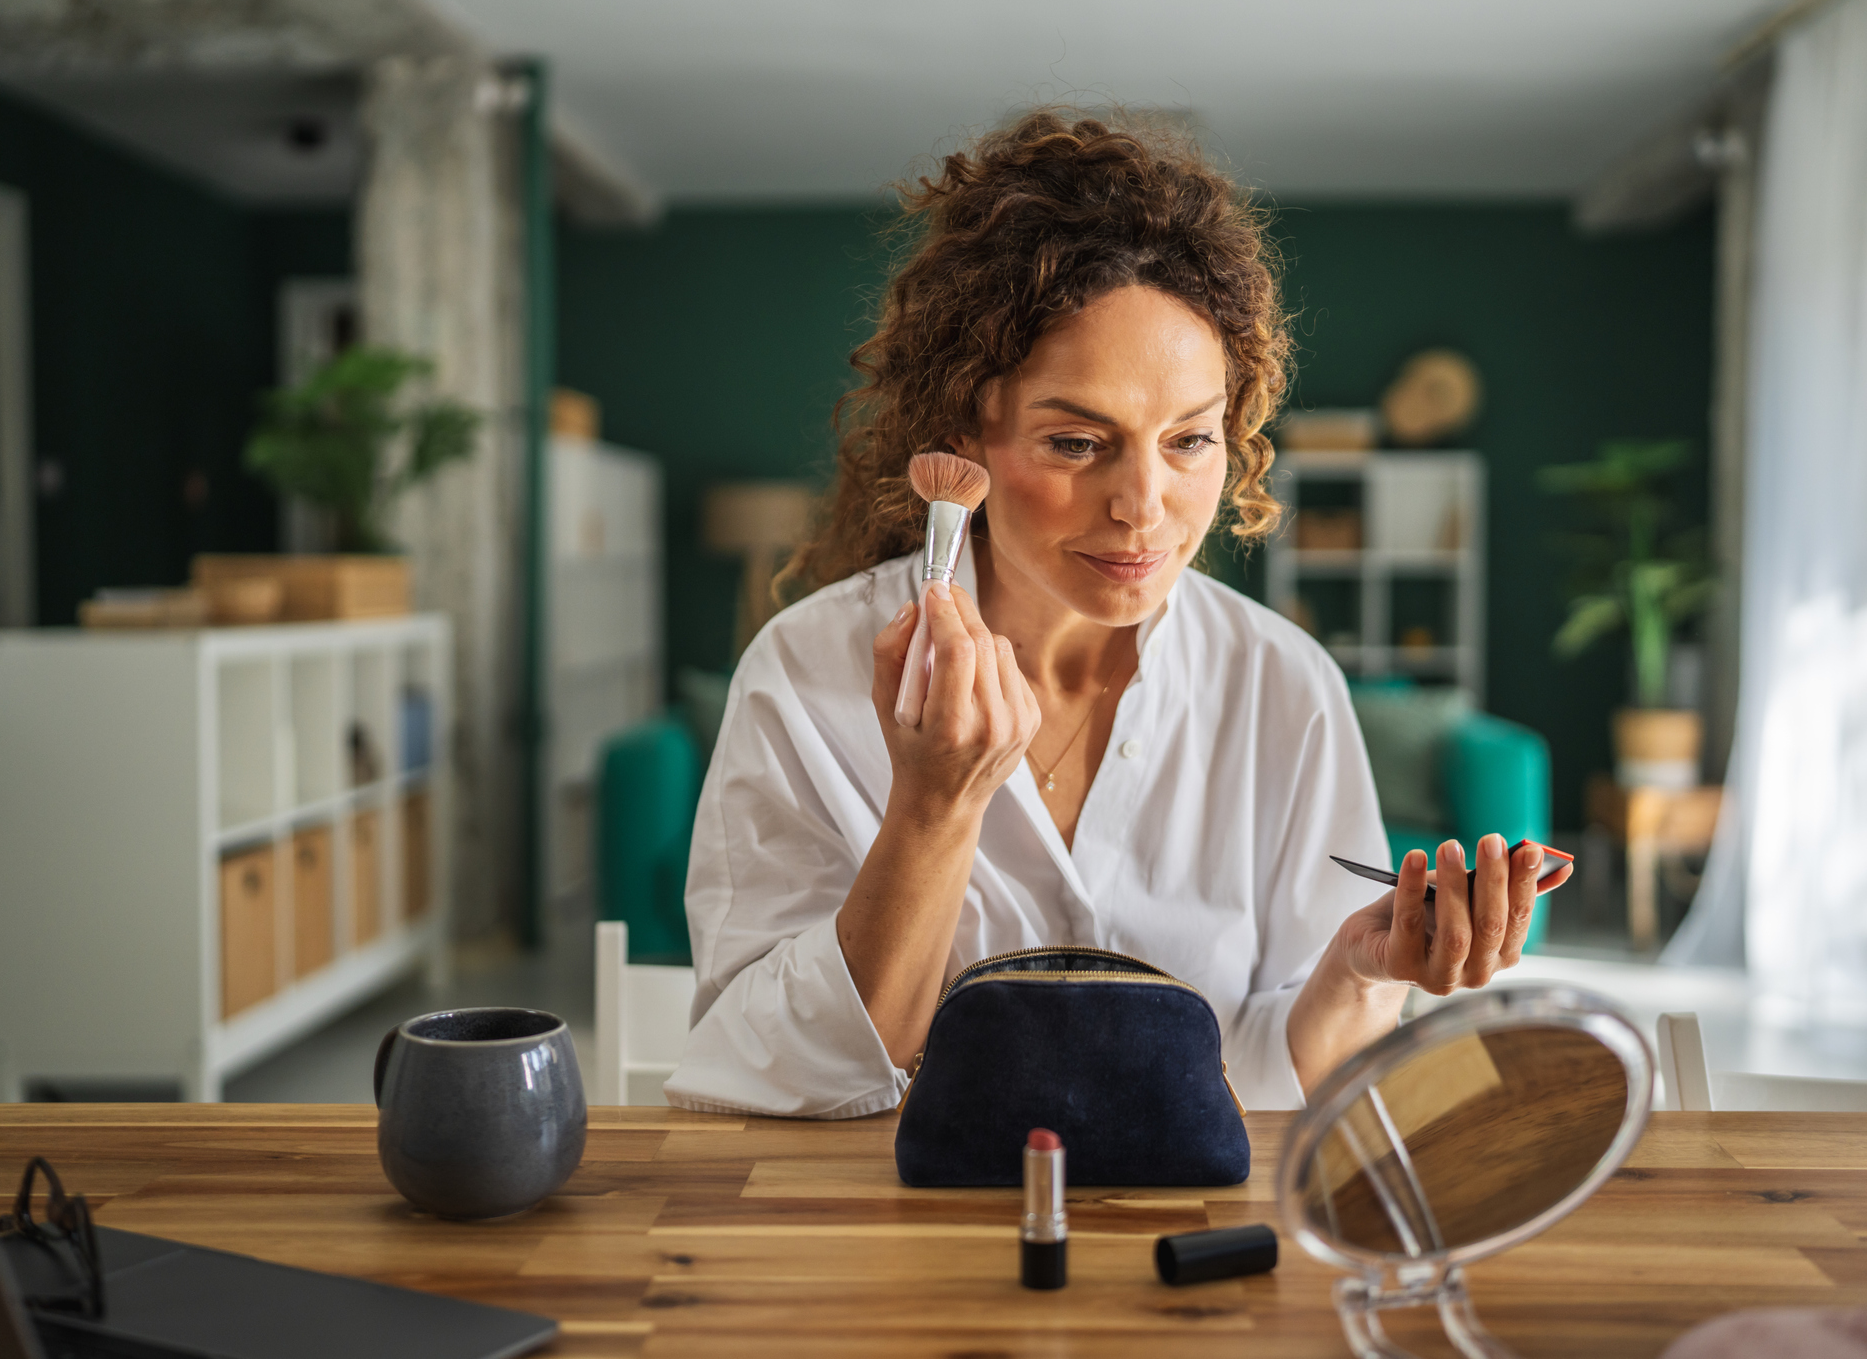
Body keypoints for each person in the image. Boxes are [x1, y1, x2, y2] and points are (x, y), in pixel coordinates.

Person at [663, 108, 1568, 1119]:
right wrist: (933, 808)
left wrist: (1361, 971)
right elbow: (763, 1076)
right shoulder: (805, 674)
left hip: (1200, 1240)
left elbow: (1282, 1077)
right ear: (966, 433)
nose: (1144, 506)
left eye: (1188, 441)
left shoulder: (1282, 686)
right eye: (1077, 443)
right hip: (897, 1240)